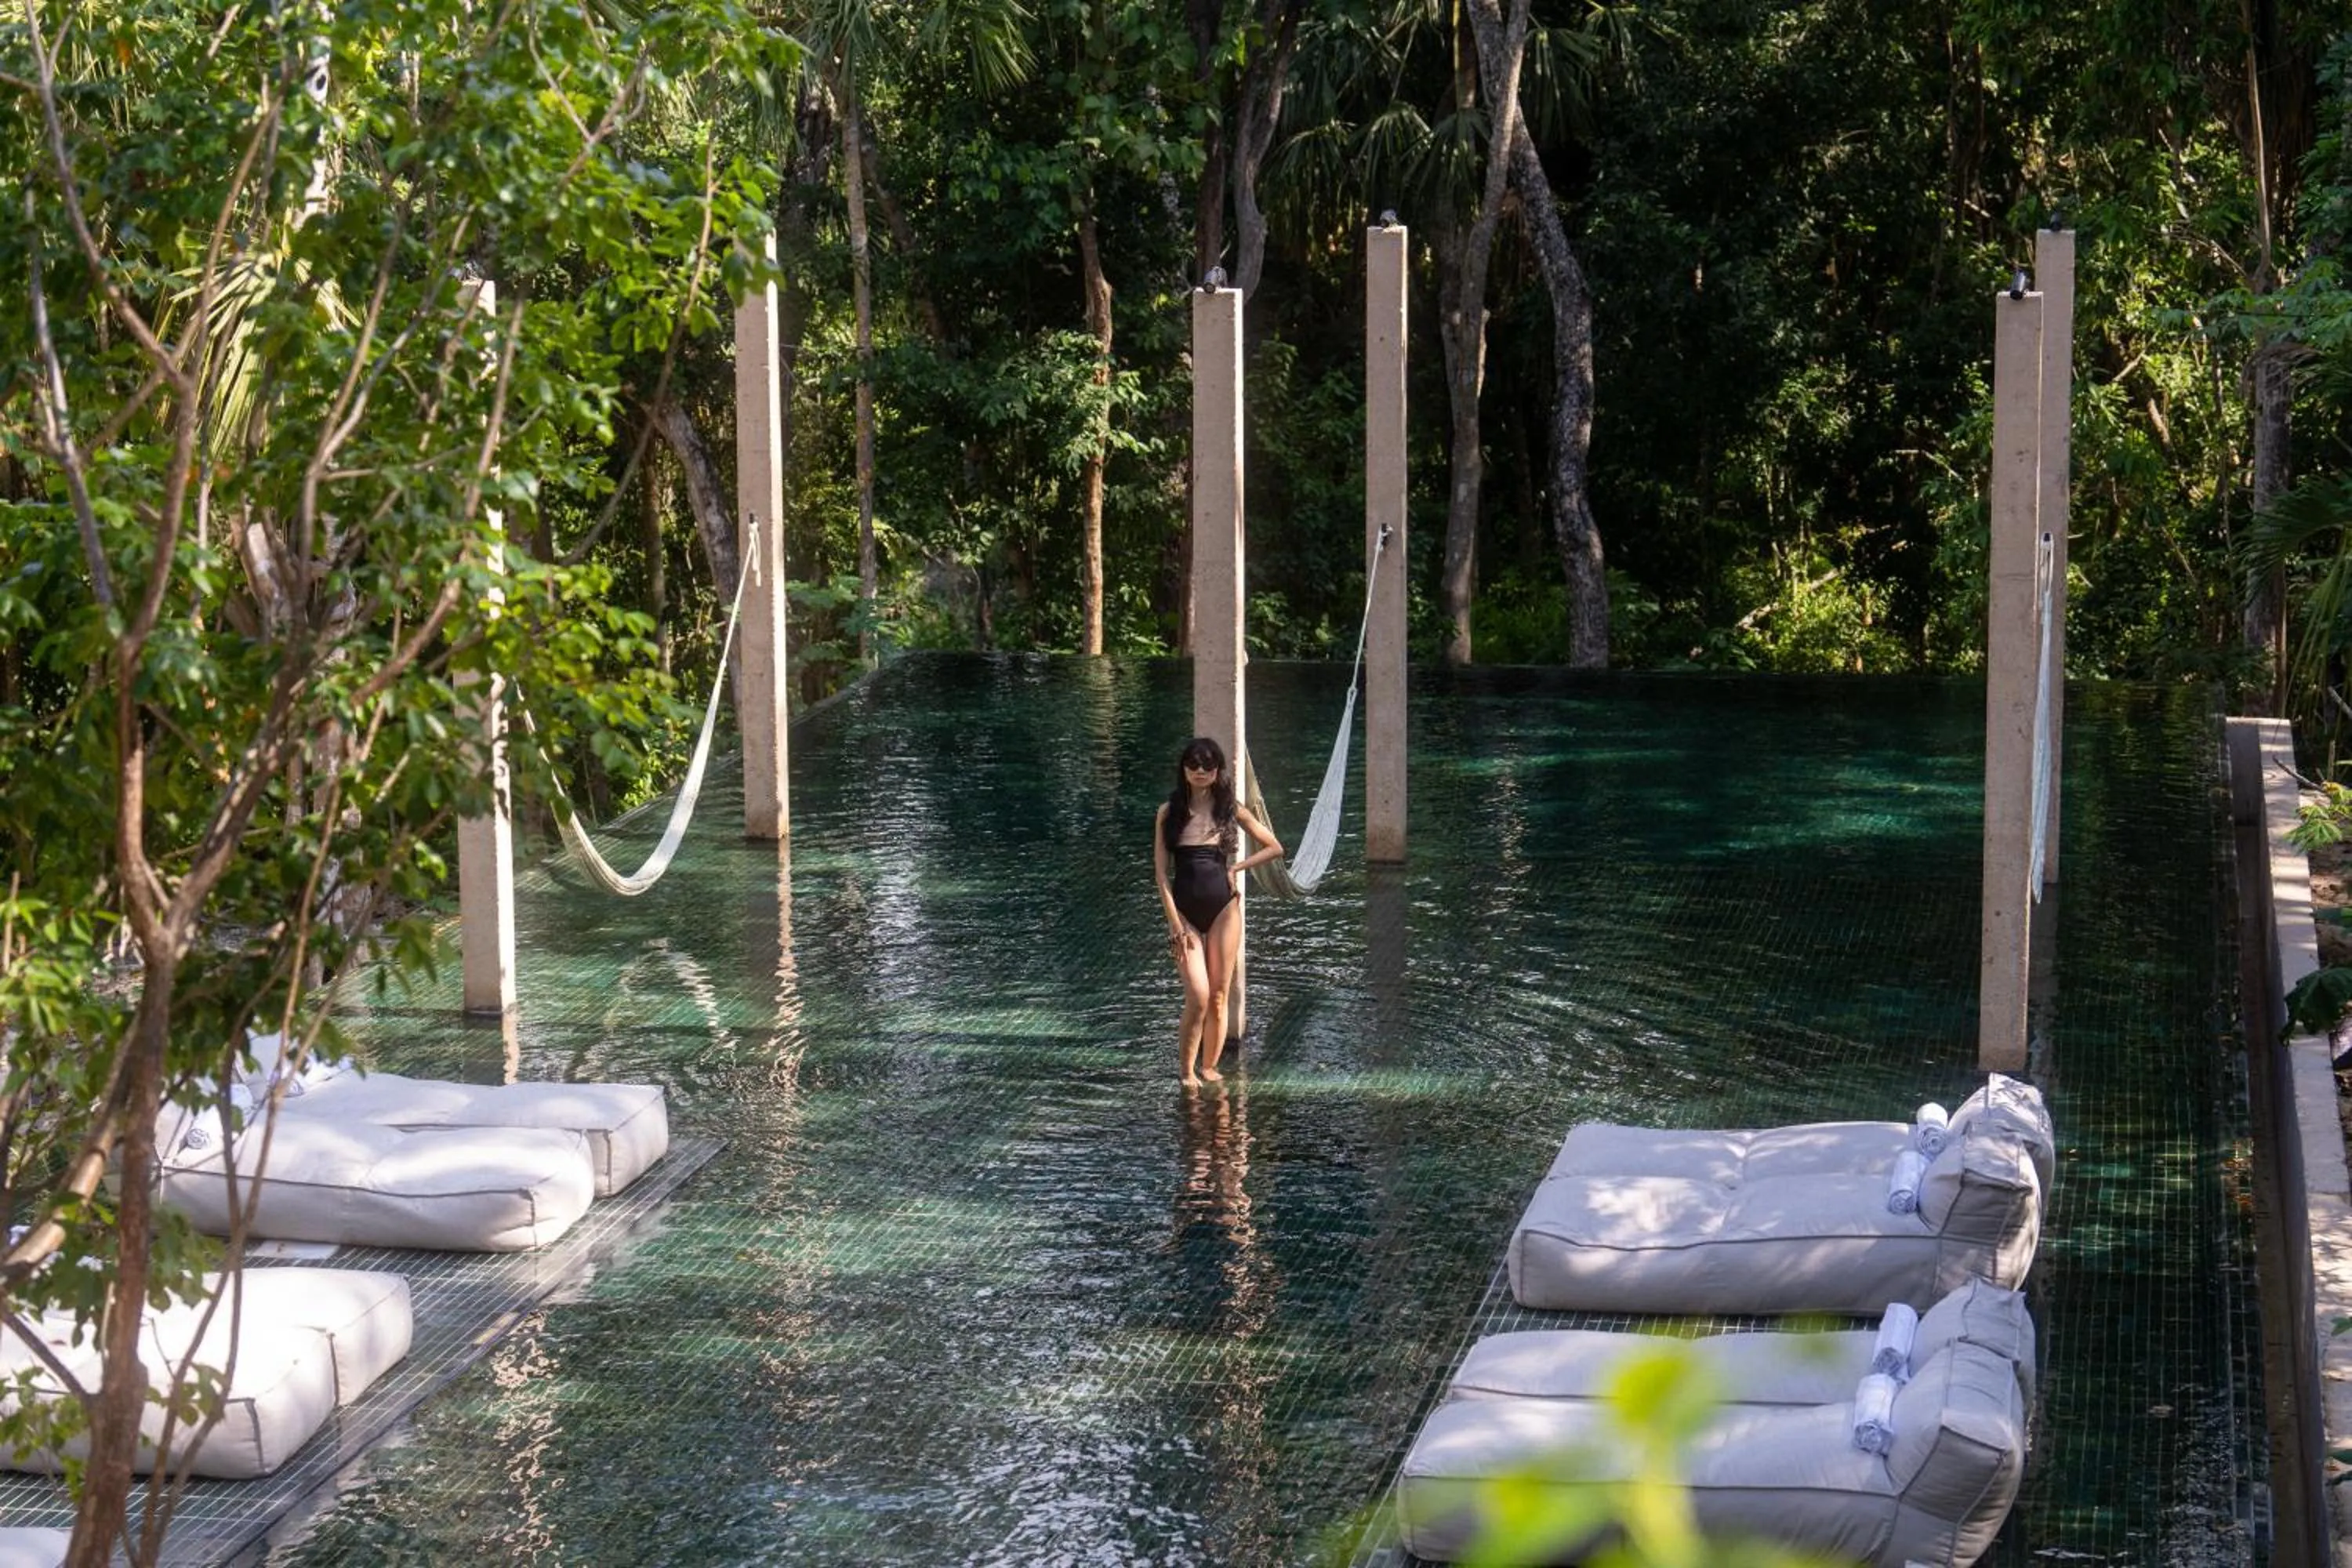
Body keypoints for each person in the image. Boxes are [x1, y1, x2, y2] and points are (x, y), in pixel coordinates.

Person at [1153, 736, 1283, 1087]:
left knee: (1219, 993)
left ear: (1217, 771)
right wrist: (1174, 924)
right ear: (1183, 768)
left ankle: (1209, 1067)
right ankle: (1185, 1072)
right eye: (1193, 764)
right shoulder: (1169, 812)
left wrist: (1237, 869)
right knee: (1197, 993)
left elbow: (1274, 847)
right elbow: (1162, 875)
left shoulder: (1230, 808)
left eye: (1207, 766)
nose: (1200, 771)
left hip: (1225, 908)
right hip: (1185, 914)